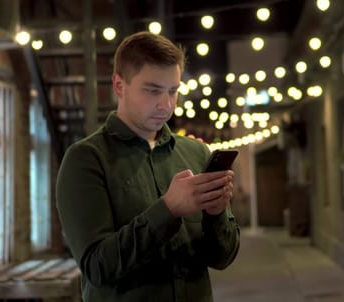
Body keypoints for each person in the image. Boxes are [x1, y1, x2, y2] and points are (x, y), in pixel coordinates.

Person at [56, 31, 240, 301]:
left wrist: (216, 214)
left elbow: (222, 259)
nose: (166, 105)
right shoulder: (85, 159)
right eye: (153, 90)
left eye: (173, 91)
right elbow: (96, 267)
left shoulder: (196, 153)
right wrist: (168, 210)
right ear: (119, 85)